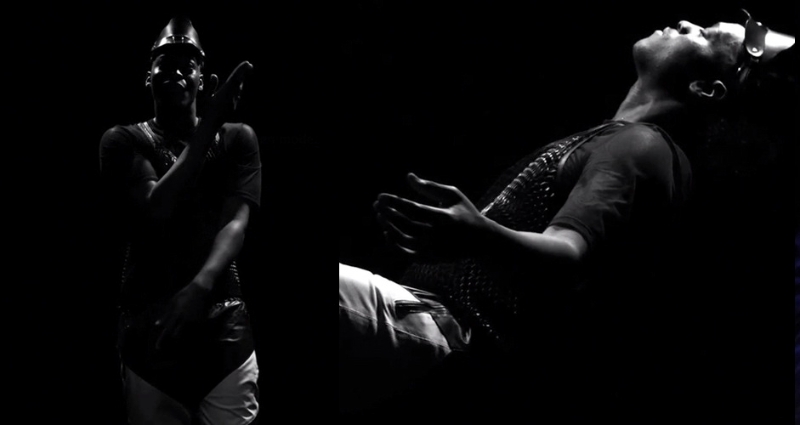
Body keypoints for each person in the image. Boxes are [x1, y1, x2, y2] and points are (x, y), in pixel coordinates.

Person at [339, 9, 795, 421]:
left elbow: (568, 252)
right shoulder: (621, 139)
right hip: (427, 333)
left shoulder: (642, 145)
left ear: (705, 88)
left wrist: (478, 231)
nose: (685, 22)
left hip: (437, 331)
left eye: (705, 35)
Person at [99, 16, 261, 425]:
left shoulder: (238, 138)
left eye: (187, 64)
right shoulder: (122, 141)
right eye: (165, 63)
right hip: (150, 330)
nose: (176, 72)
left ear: (203, 80)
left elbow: (236, 223)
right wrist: (209, 124)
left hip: (223, 327)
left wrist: (200, 286)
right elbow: (155, 208)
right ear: (147, 77)